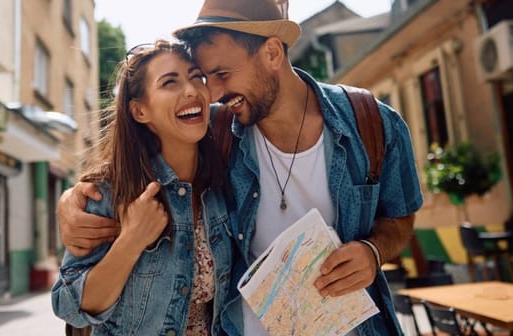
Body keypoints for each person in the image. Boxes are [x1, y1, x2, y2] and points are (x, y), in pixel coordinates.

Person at [58, 0, 423, 334]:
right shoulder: (216, 132)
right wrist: (75, 199)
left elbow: (400, 217)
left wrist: (372, 252)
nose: (212, 93)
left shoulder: (372, 124)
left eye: (220, 74)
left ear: (271, 52)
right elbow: (144, 156)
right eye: (206, 76)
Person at [51, 40, 239, 336]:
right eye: (170, 83)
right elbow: (68, 305)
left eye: (195, 77)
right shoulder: (109, 192)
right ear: (140, 112)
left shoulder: (221, 180)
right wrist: (132, 240)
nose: (191, 90)